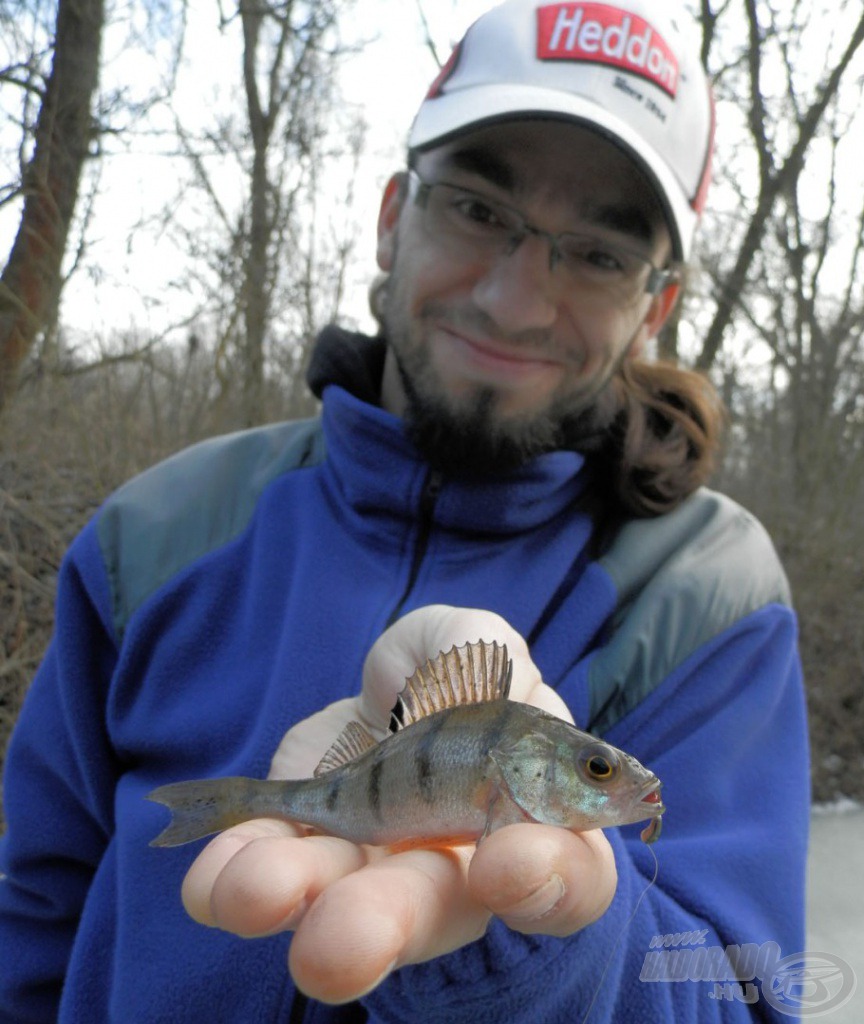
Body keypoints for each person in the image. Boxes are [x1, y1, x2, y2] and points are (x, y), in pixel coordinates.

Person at [0, 0, 810, 1021]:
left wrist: (540, 941)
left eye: (599, 253)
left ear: (655, 308)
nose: (517, 299)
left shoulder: (714, 598)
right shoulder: (152, 533)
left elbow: (749, 993)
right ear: (393, 216)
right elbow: (28, 912)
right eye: (478, 208)